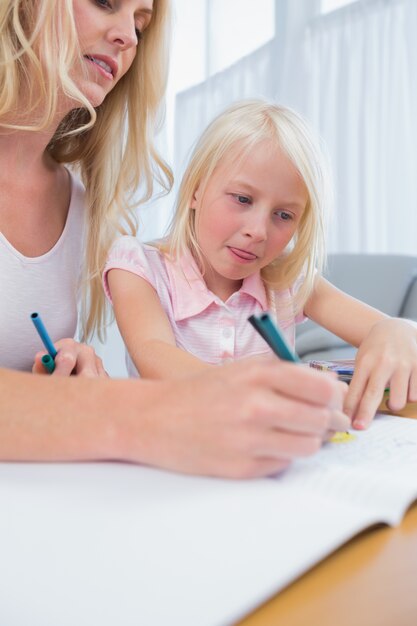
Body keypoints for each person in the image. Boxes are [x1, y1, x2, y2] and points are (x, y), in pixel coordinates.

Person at [0, 1, 350, 478]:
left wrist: (63, 382)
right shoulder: (138, 265)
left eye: (141, 24)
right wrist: (137, 412)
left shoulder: (84, 209)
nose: (128, 36)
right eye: (106, 2)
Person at [104, 99, 417, 430]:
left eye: (283, 215)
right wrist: (256, 390)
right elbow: (154, 354)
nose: (258, 231)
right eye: (242, 199)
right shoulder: (139, 267)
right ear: (195, 190)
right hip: (168, 452)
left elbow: (385, 331)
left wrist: (400, 330)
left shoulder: (285, 279)